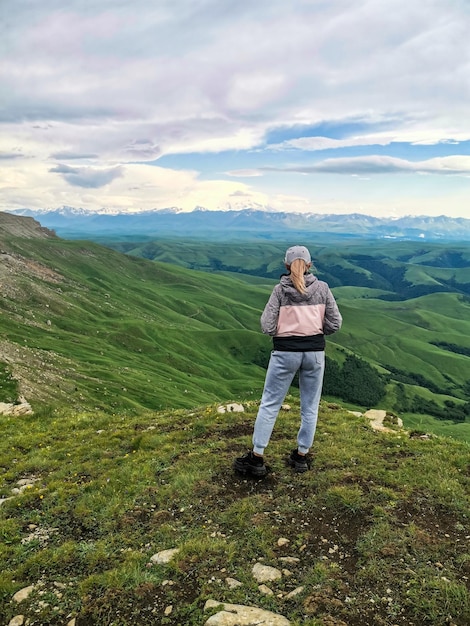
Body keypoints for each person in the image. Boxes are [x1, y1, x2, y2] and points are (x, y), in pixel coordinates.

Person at [234, 245, 342, 477]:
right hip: (314, 353)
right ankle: (301, 456)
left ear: (286, 265)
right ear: (310, 265)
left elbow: (266, 325)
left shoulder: (279, 291)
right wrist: (313, 333)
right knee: (310, 406)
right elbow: (335, 323)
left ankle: (257, 457)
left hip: (285, 352)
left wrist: (285, 332)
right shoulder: (322, 289)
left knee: (270, 403)